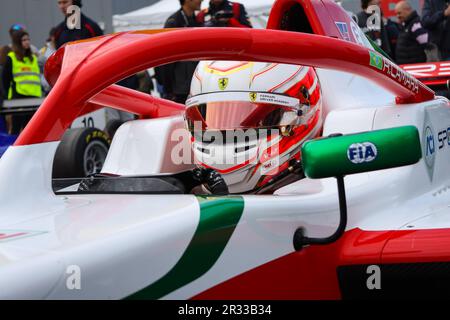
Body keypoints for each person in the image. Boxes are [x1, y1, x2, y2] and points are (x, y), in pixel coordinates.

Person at [79, 61, 323, 195]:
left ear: (299, 116)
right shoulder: (186, 189)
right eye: (211, 118)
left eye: (256, 120)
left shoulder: (326, 191)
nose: (226, 133)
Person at [158, 0, 203, 104]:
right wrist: (168, 90)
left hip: (195, 85)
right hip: (179, 90)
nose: (201, 1)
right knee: (181, 118)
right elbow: (166, 58)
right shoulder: (173, 22)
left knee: (197, 119)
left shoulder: (196, 21)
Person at [2, 30, 42, 134]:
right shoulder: (11, 58)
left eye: (28, 39)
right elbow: (5, 80)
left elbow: (36, 78)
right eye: (24, 40)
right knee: (16, 128)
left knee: (31, 129)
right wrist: (7, 98)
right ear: (17, 42)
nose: (27, 42)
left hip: (34, 98)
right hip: (18, 98)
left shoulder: (33, 58)